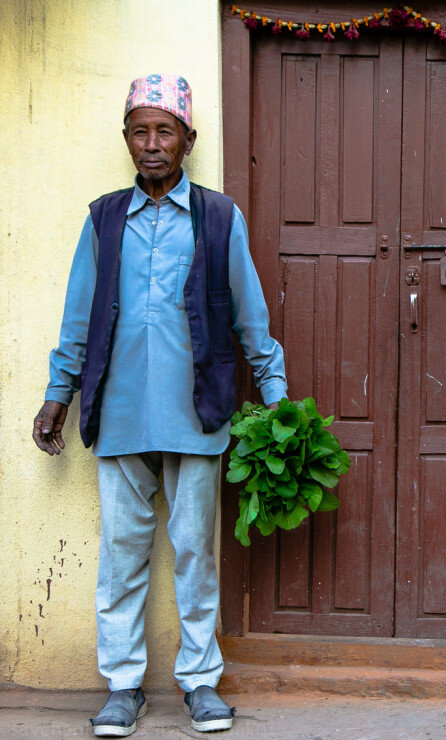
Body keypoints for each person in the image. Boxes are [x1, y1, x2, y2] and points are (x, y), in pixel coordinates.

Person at [32, 74, 287, 737]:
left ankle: (200, 684)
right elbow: (78, 321)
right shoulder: (103, 219)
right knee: (122, 558)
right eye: (140, 132)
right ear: (127, 141)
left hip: (198, 416)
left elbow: (252, 319)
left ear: (187, 140)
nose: (152, 144)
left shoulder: (219, 217)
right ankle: (122, 687)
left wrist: (280, 403)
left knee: (196, 554)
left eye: (164, 131)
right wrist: (57, 398)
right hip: (119, 418)